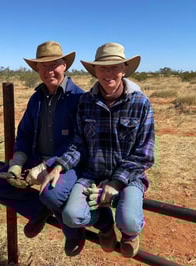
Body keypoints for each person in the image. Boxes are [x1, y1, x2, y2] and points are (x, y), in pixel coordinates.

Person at [42, 42, 155, 258]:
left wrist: (115, 182)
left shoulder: (141, 103)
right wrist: (59, 165)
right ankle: (105, 224)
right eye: (103, 68)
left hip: (128, 177)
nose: (108, 73)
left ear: (124, 69)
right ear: (95, 71)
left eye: (114, 67)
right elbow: (78, 144)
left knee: (129, 222)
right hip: (92, 174)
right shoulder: (86, 102)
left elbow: (145, 153)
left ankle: (130, 234)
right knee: (71, 216)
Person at [0, 41, 86, 256]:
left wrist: (46, 166)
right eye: (43, 66)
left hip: (65, 163)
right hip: (34, 158)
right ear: (37, 69)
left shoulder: (79, 98)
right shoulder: (36, 98)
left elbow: (79, 141)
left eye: (54, 64)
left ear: (64, 65)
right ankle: (39, 210)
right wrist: (18, 162)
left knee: (51, 193)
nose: (49, 71)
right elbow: (25, 133)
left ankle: (74, 232)